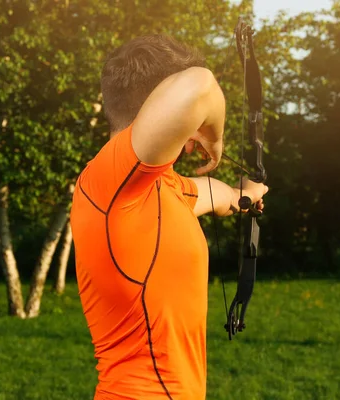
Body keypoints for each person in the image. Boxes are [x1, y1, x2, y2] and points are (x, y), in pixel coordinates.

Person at [69, 34, 269, 400]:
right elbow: (200, 85)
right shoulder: (108, 182)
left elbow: (210, 194)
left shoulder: (158, 188)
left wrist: (244, 195)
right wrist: (214, 136)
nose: (191, 143)